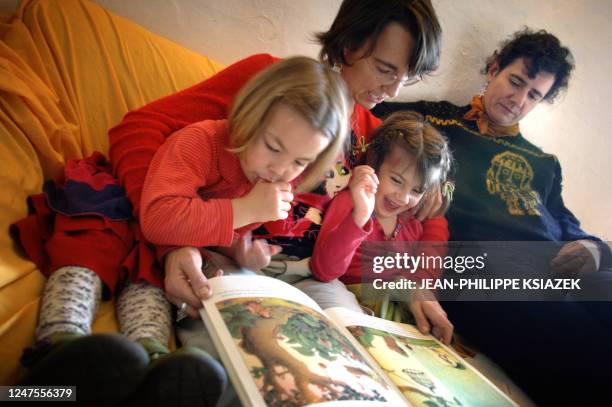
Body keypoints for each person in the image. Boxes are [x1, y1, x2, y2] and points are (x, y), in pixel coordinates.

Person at [372, 28, 612, 405]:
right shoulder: (433, 122)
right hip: (484, 269)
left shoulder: (545, 164)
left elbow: (566, 223)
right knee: (585, 344)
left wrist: (591, 248)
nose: (518, 100)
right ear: (493, 68)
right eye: (514, 82)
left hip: (553, 266)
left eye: (534, 95)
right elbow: (363, 114)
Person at [310, 111, 455, 345]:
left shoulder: (412, 221)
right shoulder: (350, 203)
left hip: (397, 313)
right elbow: (323, 270)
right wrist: (360, 216)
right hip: (353, 305)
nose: (403, 197)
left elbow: (417, 277)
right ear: (373, 163)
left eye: (417, 191)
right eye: (396, 180)